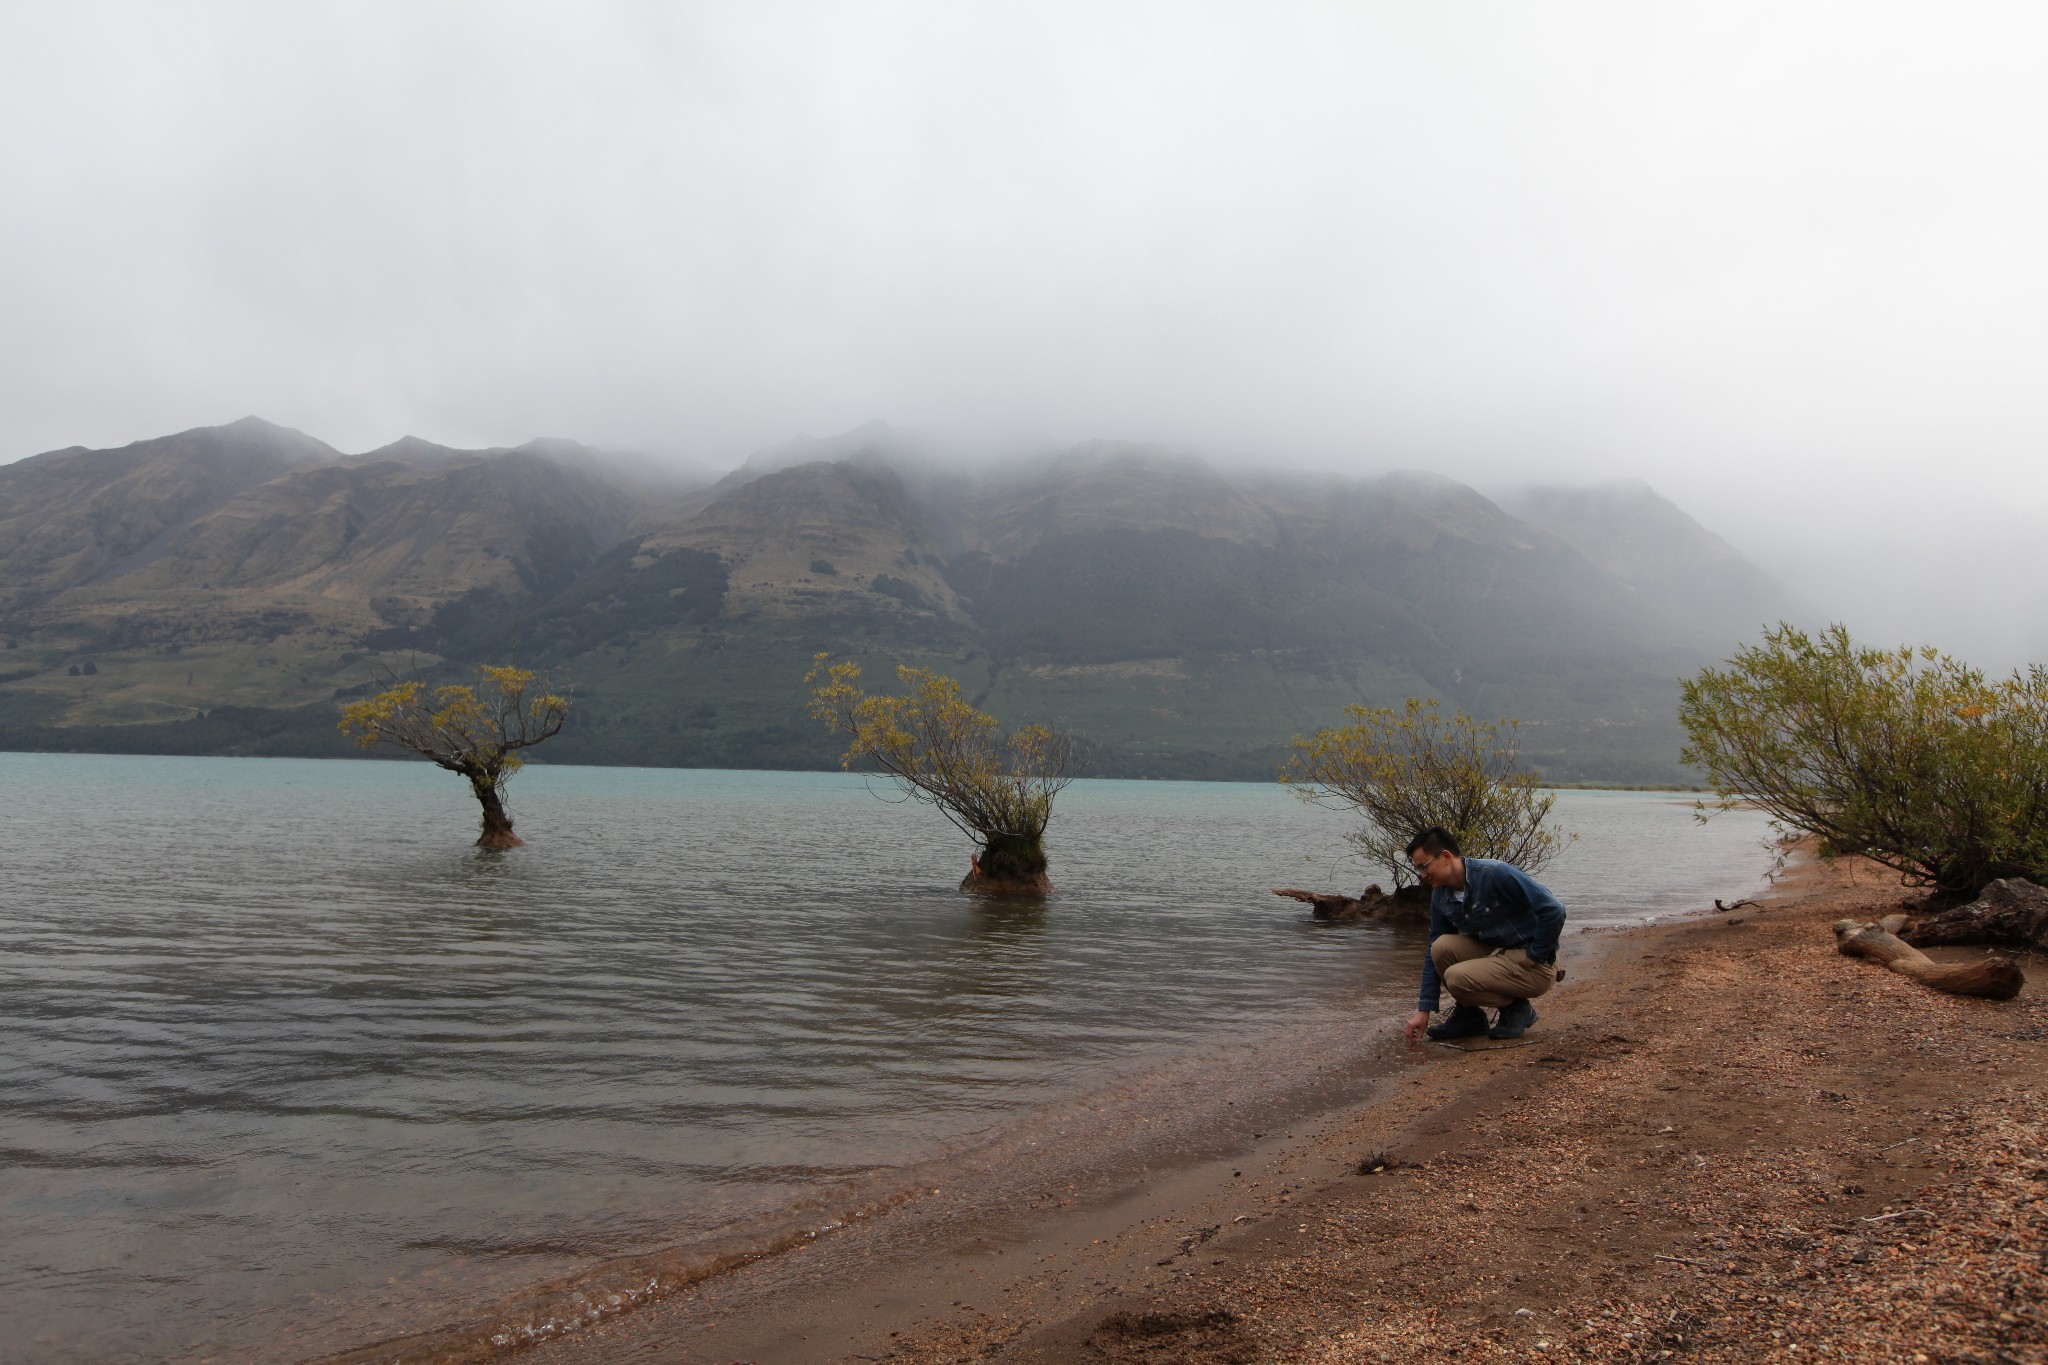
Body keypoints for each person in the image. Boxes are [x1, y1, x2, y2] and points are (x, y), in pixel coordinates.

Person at [1399, 825, 1565, 1043]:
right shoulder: (1441, 895)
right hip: (1499, 954)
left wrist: (1536, 954)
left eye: (1424, 866)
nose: (1422, 875)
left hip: (1534, 964)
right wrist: (1424, 1009)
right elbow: (1433, 951)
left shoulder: (1495, 874)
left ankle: (1516, 1009)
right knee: (1441, 947)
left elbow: (1554, 910)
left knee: (1456, 977)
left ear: (1446, 856)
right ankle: (1469, 1016)